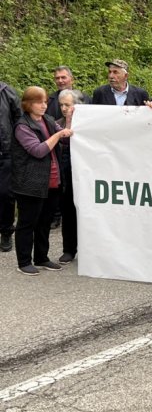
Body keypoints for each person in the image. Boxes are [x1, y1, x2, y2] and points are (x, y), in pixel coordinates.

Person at [12, 87, 72, 275]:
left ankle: (41, 257)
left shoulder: (48, 120)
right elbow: (38, 151)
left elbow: (65, 139)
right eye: (39, 102)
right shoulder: (23, 126)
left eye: (45, 101)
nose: (44, 105)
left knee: (44, 222)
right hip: (29, 183)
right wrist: (57, 135)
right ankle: (24, 261)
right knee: (27, 223)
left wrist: (68, 122)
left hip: (52, 181)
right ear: (28, 104)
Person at [55, 89, 84, 264]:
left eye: (68, 104)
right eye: (62, 105)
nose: (64, 108)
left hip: (85, 174)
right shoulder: (57, 124)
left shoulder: (87, 124)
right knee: (68, 210)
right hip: (66, 175)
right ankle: (69, 249)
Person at [0, 80, 22, 252]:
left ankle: (6, 231)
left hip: (5, 152)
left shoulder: (7, 92)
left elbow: (19, 121)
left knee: (6, 194)